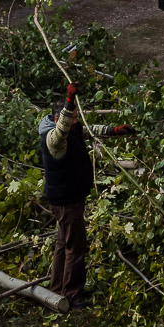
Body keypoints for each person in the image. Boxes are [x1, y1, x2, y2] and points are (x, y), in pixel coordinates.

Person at [38, 83, 132, 310]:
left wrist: (115, 131)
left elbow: (91, 129)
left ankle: (57, 288)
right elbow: (62, 128)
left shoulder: (73, 128)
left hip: (68, 199)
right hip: (66, 202)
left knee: (63, 244)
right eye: (72, 117)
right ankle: (71, 294)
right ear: (58, 118)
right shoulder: (54, 138)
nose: (76, 121)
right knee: (75, 247)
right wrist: (70, 99)